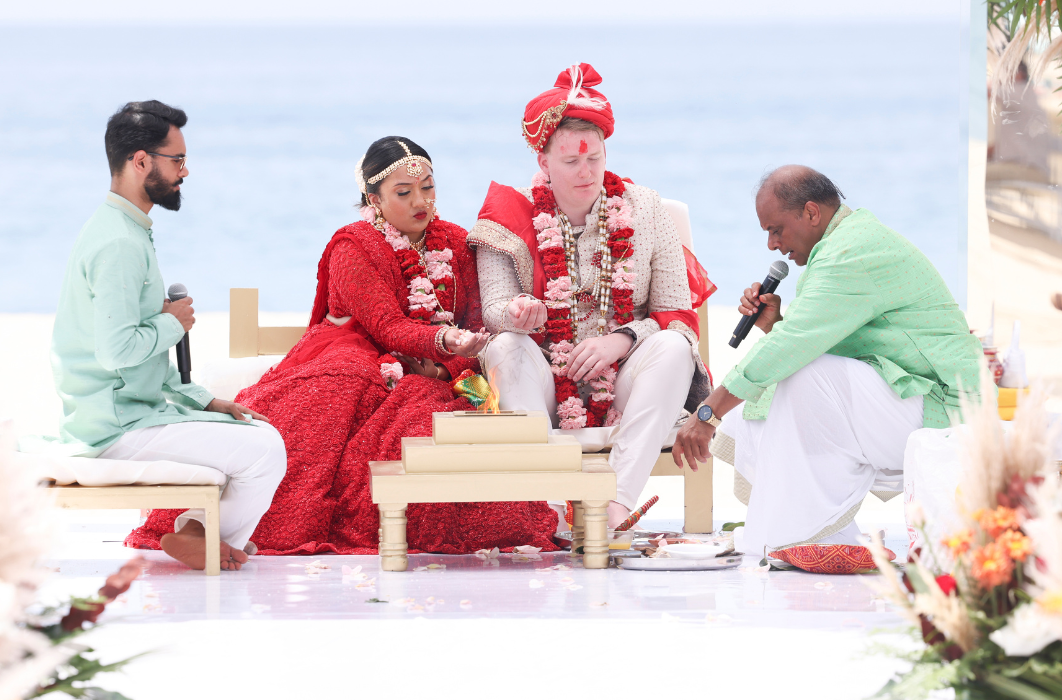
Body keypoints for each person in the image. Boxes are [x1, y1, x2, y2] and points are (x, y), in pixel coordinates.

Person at [126, 136, 561, 555]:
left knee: (436, 416)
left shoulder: (454, 241)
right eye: (404, 192)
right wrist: (446, 341)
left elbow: (472, 320)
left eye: (428, 189)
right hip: (356, 354)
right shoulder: (353, 245)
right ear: (374, 200)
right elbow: (387, 326)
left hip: (436, 367)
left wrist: (447, 365)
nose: (420, 202)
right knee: (332, 396)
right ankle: (209, 527)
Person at [672, 165, 983, 555]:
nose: (771, 245)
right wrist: (776, 326)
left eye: (775, 229)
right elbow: (803, 341)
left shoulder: (850, 252)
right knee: (764, 393)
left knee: (803, 378)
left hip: (949, 408)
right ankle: (816, 531)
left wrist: (707, 413)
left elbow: (795, 348)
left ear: (811, 213)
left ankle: (804, 532)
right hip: (917, 396)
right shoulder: (844, 243)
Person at [469, 63, 716, 527]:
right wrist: (519, 314)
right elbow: (494, 312)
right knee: (504, 347)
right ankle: (551, 510)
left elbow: (679, 318)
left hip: (624, 381)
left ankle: (616, 503)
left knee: (673, 347)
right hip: (544, 381)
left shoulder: (646, 210)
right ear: (543, 162)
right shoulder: (507, 218)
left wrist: (620, 339)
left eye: (595, 159)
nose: (586, 172)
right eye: (570, 161)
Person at [53, 101, 285, 571]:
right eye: (176, 160)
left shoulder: (124, 230)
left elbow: (144, 360)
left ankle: (199, 533)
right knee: (266, 450)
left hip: (130, 411)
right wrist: (172, 322)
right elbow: (117, 351)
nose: (185, 171)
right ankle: (198, 533)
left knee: (254, 433)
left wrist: (202, 401)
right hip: (113, 426)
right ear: (141, 161)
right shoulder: (118, 242)